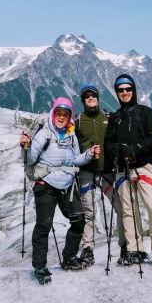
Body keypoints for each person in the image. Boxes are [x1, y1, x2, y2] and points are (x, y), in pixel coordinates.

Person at [20, 97, 100, 284]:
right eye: (59, 113)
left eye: (65, 114)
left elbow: (75, 160)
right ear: (53, 113)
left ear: (69, 116)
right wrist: (25, 146)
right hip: (45, 185)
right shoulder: (44, 134)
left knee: (79, 220)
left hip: (67, 186)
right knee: (44, 225)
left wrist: (88, 154)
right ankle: (40, 266)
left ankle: (69, 258)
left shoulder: (71, 135)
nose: (61, 117)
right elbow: (30, 160)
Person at [104, 74, 152, 268]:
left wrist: (135, 148)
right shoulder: (115, 118)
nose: (125, 93)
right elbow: (108, 143)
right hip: (122, 170)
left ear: (133, 90)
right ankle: (135, 249)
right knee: (128, 211)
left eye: (128, 89)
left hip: (143, 166)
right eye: (121, 90)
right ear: (117, 93)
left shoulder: (145, 113)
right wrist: (118, 151)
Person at [74, 83, 126, 267]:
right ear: (83, 100)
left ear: (97, 97)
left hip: (107, 172)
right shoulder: (78, 121)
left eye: (93, 95)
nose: (90, 98)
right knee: (88, 211)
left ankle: (125, 246)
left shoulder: (108, 116)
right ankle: (87, 248)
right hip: (87, 172)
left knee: (120, 207)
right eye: (87, 96)